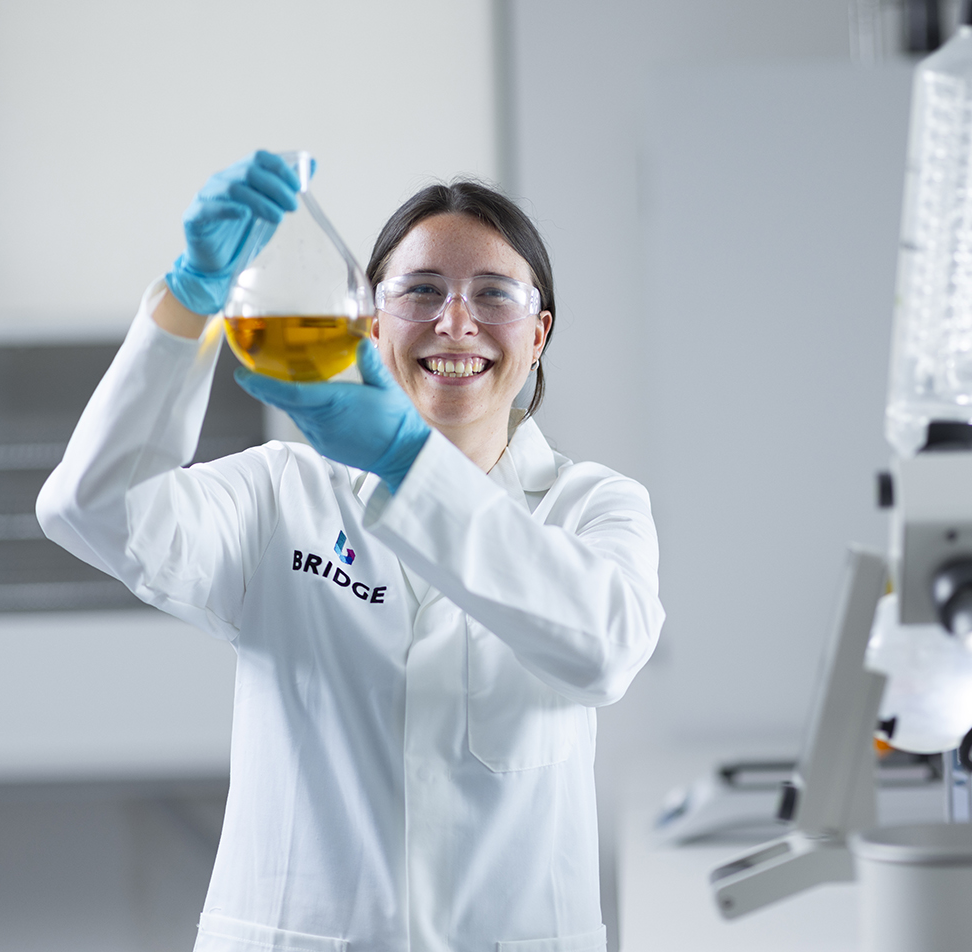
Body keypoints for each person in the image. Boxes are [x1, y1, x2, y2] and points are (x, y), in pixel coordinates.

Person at [36, 151, 664, 952]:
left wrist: (409, 461)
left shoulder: (592, 507)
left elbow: (604, 649)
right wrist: (190, 297)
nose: (455, 322)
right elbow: (91, 508)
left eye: (493, 295)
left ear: (538, 335)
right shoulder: (280, 494)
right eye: (422, 291)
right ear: (372, 323)